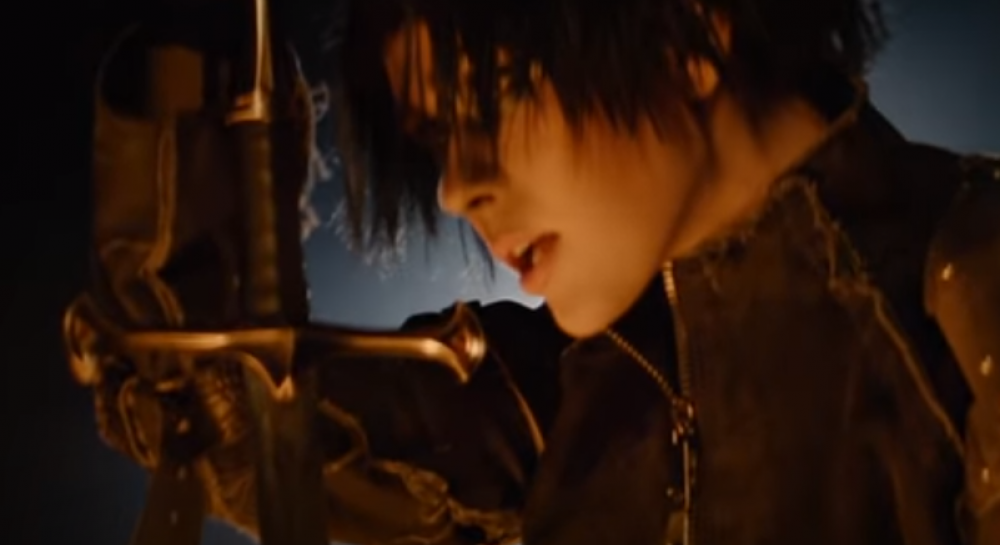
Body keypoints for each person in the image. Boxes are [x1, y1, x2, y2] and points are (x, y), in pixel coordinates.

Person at [80, 0, 1000, 544]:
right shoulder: (579, 393)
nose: (454, 187)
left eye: (487, 100)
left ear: (687, 36)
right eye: (436, 138)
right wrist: (190, 127)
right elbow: (237, 418)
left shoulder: (965, 290)